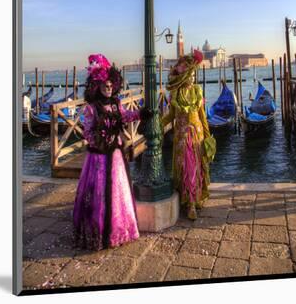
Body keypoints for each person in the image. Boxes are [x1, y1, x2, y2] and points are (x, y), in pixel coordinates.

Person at [72, 54, 149, 250]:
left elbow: (126, 117)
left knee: (118, 192)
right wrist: (101, 141)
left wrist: (141, 113)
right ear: (97, 86)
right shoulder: (91, 109)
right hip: (98, 159)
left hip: (115, 156)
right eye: (104, 86)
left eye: (110, 86)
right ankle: (99, 234)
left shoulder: (116, 104)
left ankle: (118, 231)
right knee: (99, 196)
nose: (108, 88)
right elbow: (87, 132)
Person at [161, 50, 216, 220]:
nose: (192, 78)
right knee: (186, 166)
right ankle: (189, 202)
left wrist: (207, 136)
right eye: (189, 75)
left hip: (197, 134)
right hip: (181, 136)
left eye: (193, 75)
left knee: (196, 167)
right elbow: (171, 116)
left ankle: (196, 198)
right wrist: (158, 124)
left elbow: (202, 116)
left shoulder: (197, 92)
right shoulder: (175, 94)